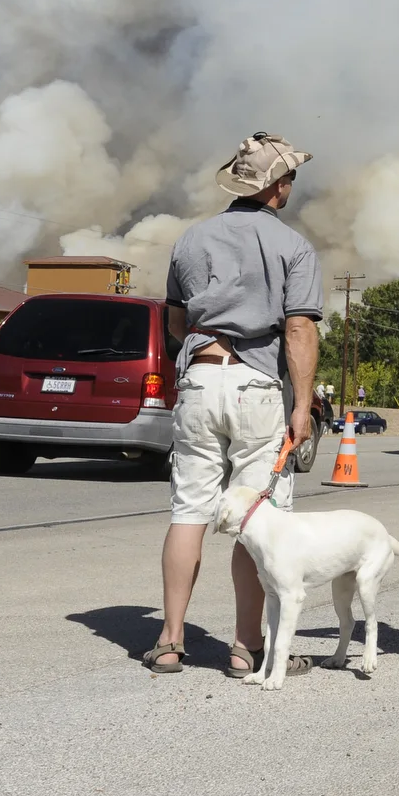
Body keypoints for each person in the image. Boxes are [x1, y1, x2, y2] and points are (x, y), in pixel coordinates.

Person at [144, 132, 322, 679]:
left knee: (188, 512)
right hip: (256, 386)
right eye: (289, 177)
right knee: (256, 518)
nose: (292, 184)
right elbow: (298, 330)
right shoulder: (293, 247)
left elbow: (175, 321)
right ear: (275, 187)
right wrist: (303, 405)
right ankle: (247, 648)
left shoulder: (191, 240)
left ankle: (170, 641)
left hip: (200, 378)